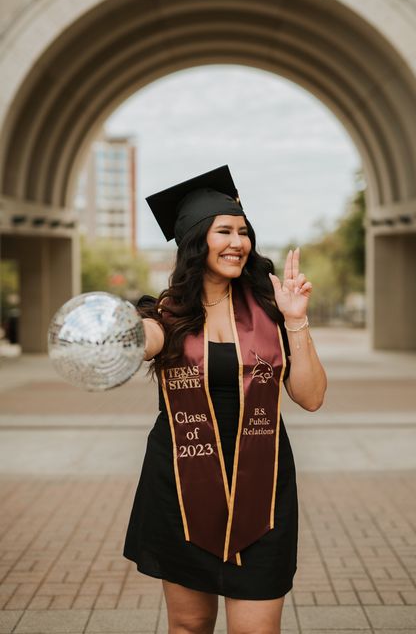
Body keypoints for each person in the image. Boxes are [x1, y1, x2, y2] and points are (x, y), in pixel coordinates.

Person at [123, 165, 327, 634]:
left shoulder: (271, 309)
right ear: (197, 239)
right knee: (190, 625)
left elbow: (311, 397)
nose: (238, 241)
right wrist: (127, 333)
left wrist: (296, 321)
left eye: (243, 231)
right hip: (181, 480)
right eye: (224, 231)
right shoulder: (165, 313)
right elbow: (148, 339)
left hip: (262, 481)